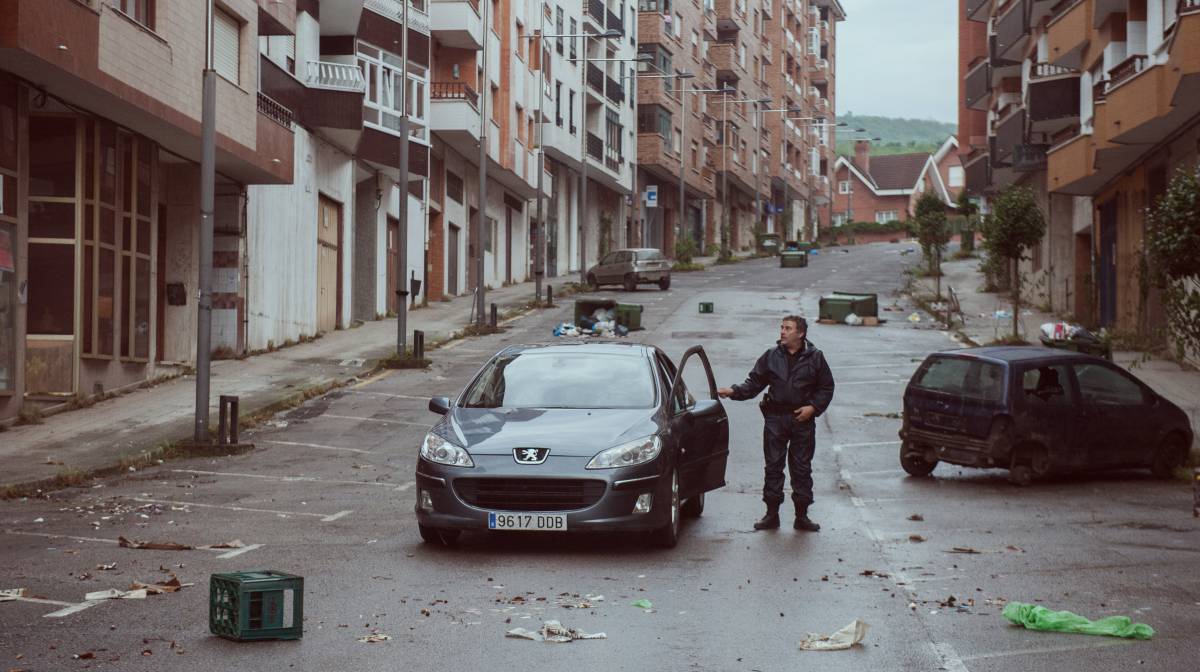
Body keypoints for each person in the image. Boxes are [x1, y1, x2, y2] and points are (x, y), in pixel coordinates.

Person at [718, 316, 835, 532]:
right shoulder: (771, 356)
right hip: (775, 419)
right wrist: (733, 391)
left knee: (801, 468)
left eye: (788, 328)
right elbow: (754, 382)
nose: (782, 332)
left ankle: (802, 516)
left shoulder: (816, 357)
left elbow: (826, 387)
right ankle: (771, 514)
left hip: (802, 420)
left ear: (800, 334)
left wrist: (813, 408)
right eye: (782, 327)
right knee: (773, 466)